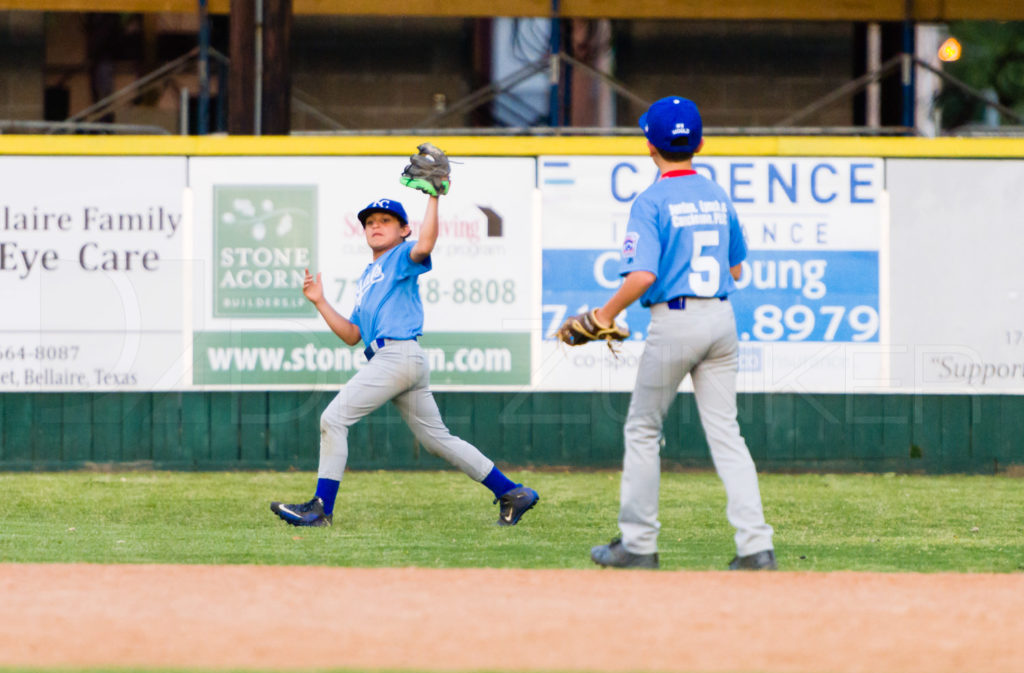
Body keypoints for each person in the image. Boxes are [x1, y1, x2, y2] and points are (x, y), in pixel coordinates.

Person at [270, 171, 539, 528]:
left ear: (403, 230)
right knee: (437, 440)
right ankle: (512, 492)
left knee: (333, 419)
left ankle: (321, 508)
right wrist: (320, 302)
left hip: (398, 356)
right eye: (370, 222)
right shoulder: (368, 277)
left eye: (386, 221)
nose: (376, 225)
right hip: (396, 359)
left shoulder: (400, 257)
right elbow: (352, 335)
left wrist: (434, 196)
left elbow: (425, 246)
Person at [588, 97, 775, 570]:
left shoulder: (650, 200)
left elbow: (643, 276)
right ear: (701, 144)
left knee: (643, 428)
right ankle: (756, 547)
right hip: (721, 317)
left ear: (648, 144)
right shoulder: (715, 193)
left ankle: (638, 544)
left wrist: (601, 315)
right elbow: (736, 265)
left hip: (676, 320)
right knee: (727, 434)